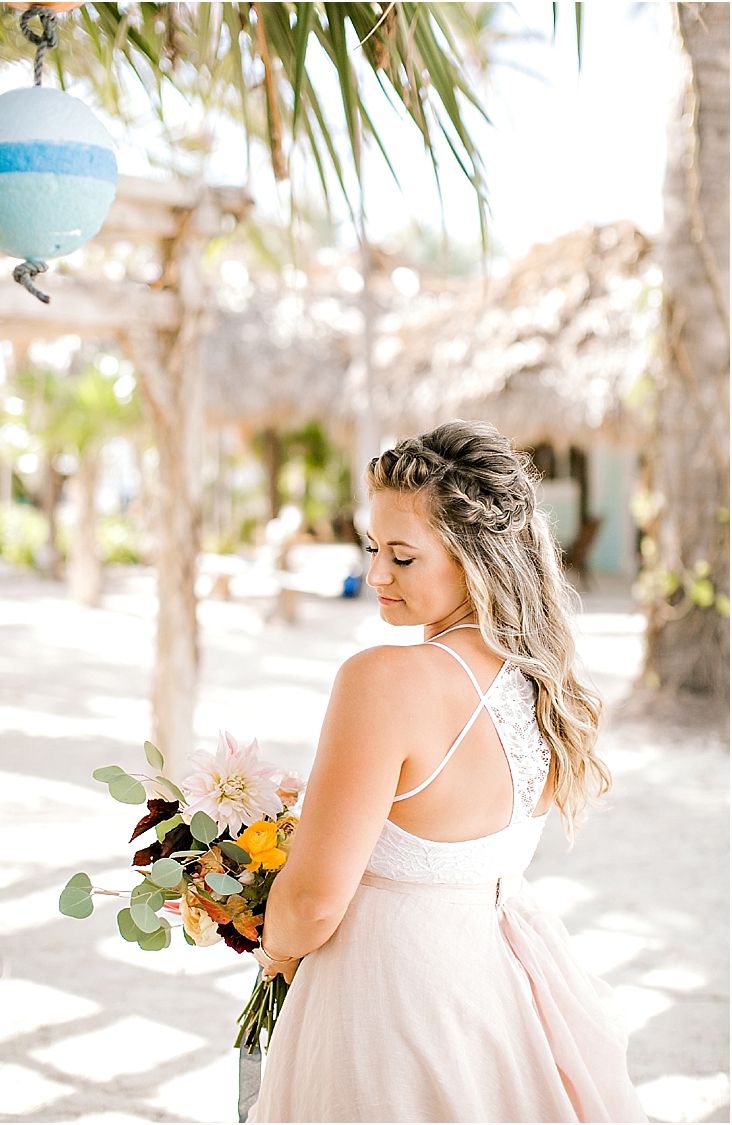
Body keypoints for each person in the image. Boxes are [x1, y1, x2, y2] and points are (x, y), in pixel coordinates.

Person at [248, 421, 645, 1122]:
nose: (375, 575)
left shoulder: (384, 680)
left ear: (477, 558)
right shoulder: (546, 686)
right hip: (499, 990)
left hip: (386, 1006)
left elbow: (311, 902)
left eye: (402, 556)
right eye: (373, 547)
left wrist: (269, 942)